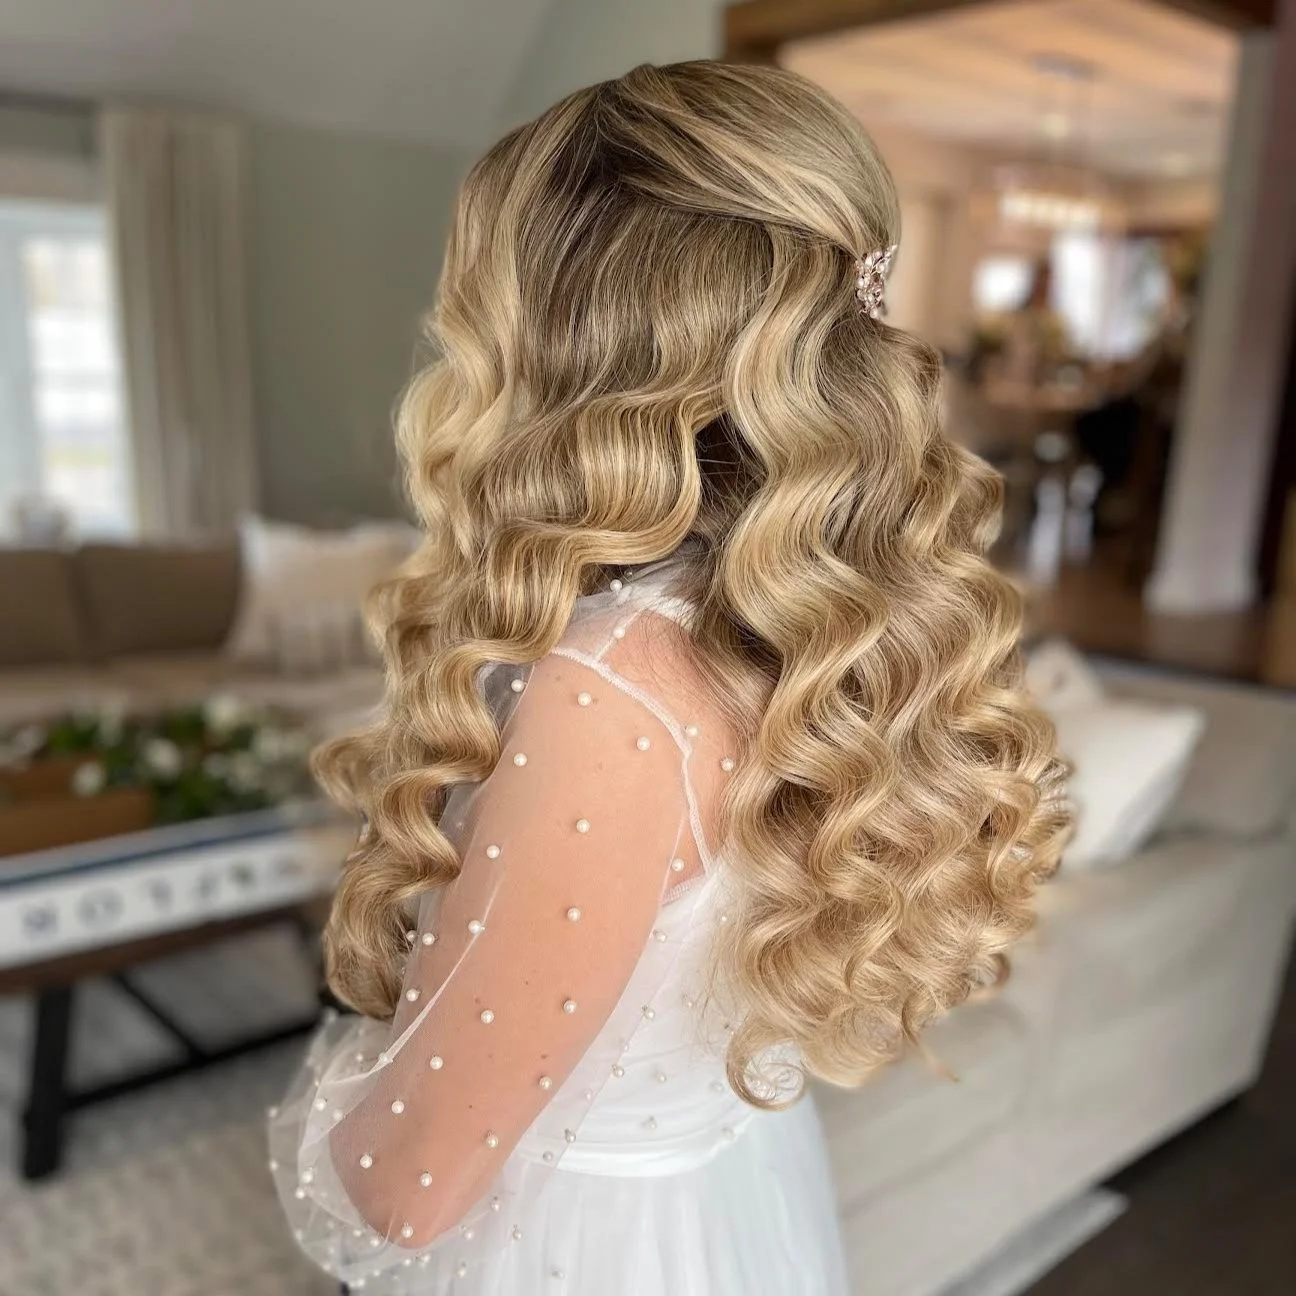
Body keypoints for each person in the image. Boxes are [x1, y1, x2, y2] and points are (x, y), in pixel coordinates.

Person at [268, 61, 1069, 1295]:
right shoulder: (830, 632)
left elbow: (409, 1192)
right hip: (731, 1190)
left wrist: (347, 1081)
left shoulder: (620, 689)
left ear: (564, 331)